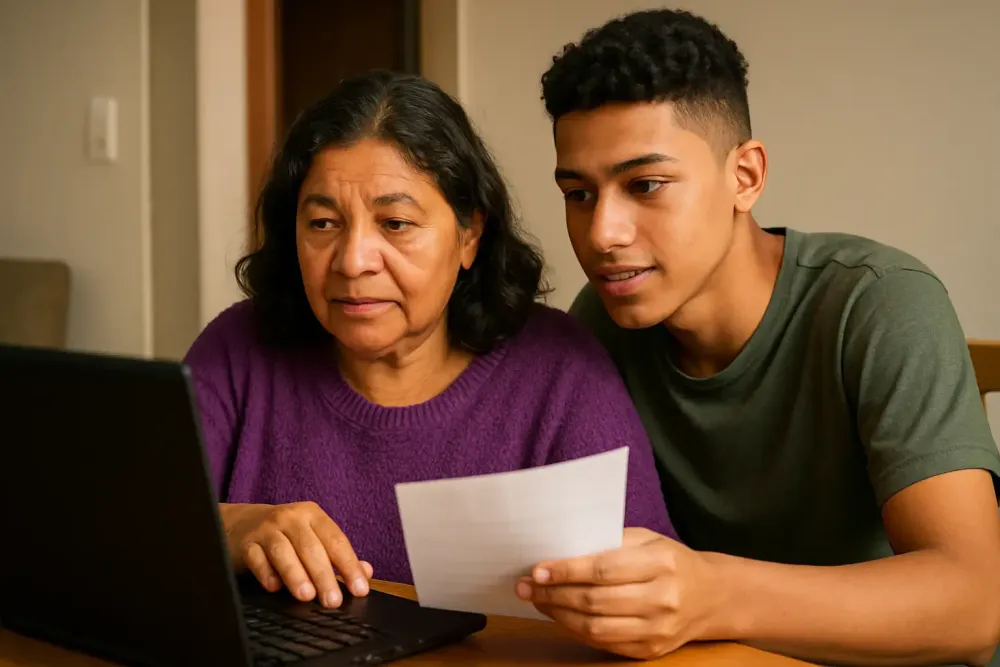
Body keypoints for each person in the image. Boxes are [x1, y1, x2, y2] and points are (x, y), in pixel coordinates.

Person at [514, 9, 1000, 667]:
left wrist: (713, 593)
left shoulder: (879, 301)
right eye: (578, 193)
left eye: (645, 185)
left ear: (745, 177)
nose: (603, 233)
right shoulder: (602, 322)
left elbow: (976, 601)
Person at [183, 70, 675, 612]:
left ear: (469, 235)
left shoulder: (562, 373)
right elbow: (117, 533)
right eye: (323, 224)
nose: (352, 261)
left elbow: (653, 594)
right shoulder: (236, 349)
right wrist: (226, 527)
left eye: (395, 223)